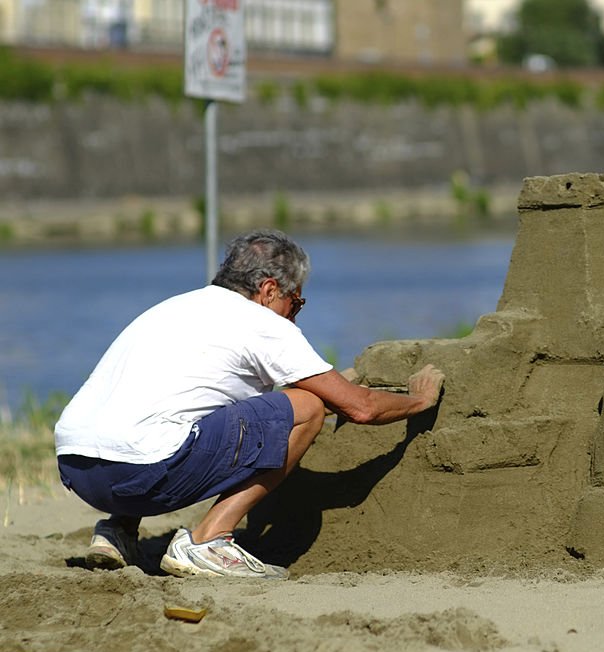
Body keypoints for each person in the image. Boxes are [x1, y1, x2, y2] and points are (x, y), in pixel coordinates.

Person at [55, 230, 445, 579]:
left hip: (80, 470)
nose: (294, 317)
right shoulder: (264, 324)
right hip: (142, 473)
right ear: (270, 289)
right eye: (296, 303)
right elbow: (361, 409)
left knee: (175, 415)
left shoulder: (175, 308)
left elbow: (245, 416)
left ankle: (116, 531)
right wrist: (420, 399)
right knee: (306, 409)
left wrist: (334, 388)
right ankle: (208, 541)